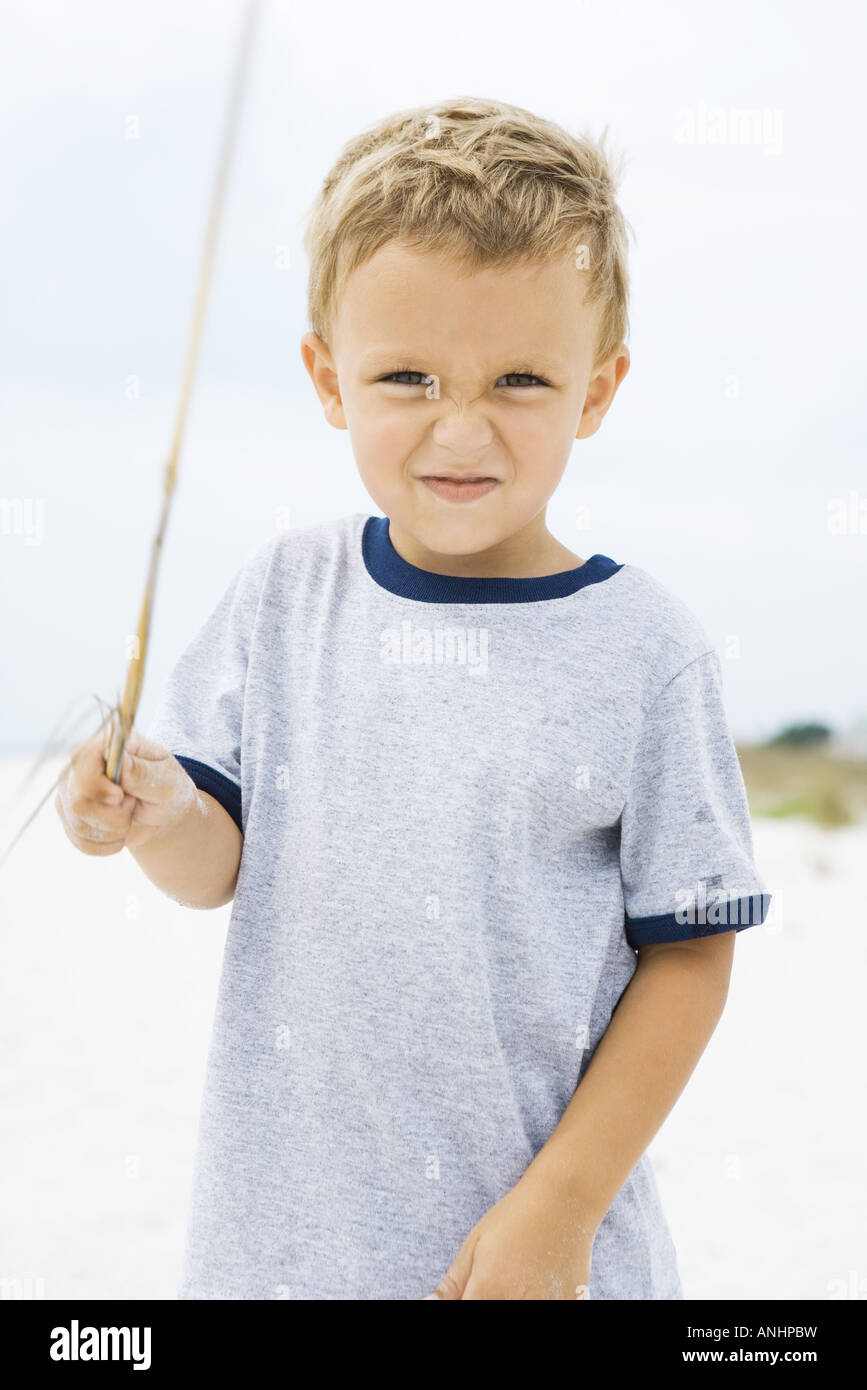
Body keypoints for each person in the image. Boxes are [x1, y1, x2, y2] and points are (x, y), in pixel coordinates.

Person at [55, 96, 771, 1300]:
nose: (460, 426)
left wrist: (563, 1207)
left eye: (520, 379)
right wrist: (153, 815)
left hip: (532, 1261)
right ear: (328, 378)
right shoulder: (285, 596)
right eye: (409, 375)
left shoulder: (647, 651)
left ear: (597, 393)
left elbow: (692, 954)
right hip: (282, 1257)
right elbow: (214, 865)